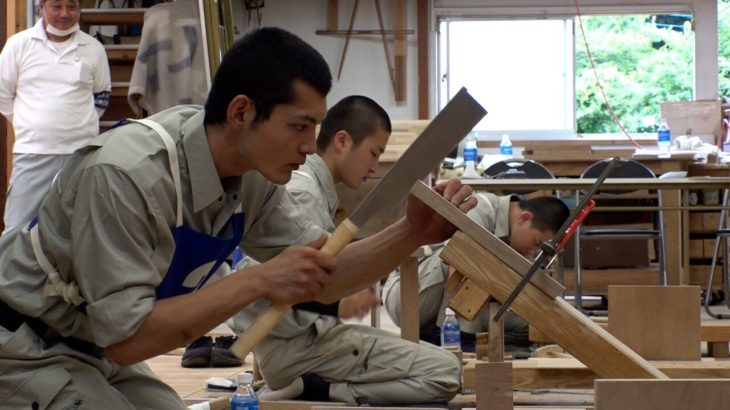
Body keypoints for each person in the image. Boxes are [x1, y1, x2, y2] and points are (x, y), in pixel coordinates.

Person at [0, 27, 476, 408]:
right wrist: (259, 281)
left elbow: (323, 278)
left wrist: (412, 232)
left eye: (314, 126)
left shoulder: (253, 178)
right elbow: (127, 338)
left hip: (92, 348)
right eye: (299, 126)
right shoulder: (125, 175)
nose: (311, 146)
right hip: (23, 346)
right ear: (242, 111)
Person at [228, 95, 462, 406]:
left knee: (437, 364)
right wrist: (336, 304)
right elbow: (280, 276)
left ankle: (308, 387)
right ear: (342, 141)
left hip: (304, 341)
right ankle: (321, 391)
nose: (375, 167)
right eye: (374, 153)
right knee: (445, 373)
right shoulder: (303, 190)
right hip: (300, 348)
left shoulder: (315, 187)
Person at [383, 193, 569, 353]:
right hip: (408, 294)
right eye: (537, 244)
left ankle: (467, 339)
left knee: (531, 321)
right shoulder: (482, 207)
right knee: (472, 257)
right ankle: (455, 342)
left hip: (440, 310)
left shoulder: (517, 240)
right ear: (524, 218)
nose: (533, 253)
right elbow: (458, 263)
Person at [0, 0, 111, 233]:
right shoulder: (18, 45)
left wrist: (78, 124)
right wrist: (28, 123)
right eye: (56, 6)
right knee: (17, 230)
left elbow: (101, 96)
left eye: (71, 7)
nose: (64, 13)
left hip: (81, 154)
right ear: (41, 8)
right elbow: (3, 95)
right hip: (33, 154)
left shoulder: (93, 48)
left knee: (80, 230)